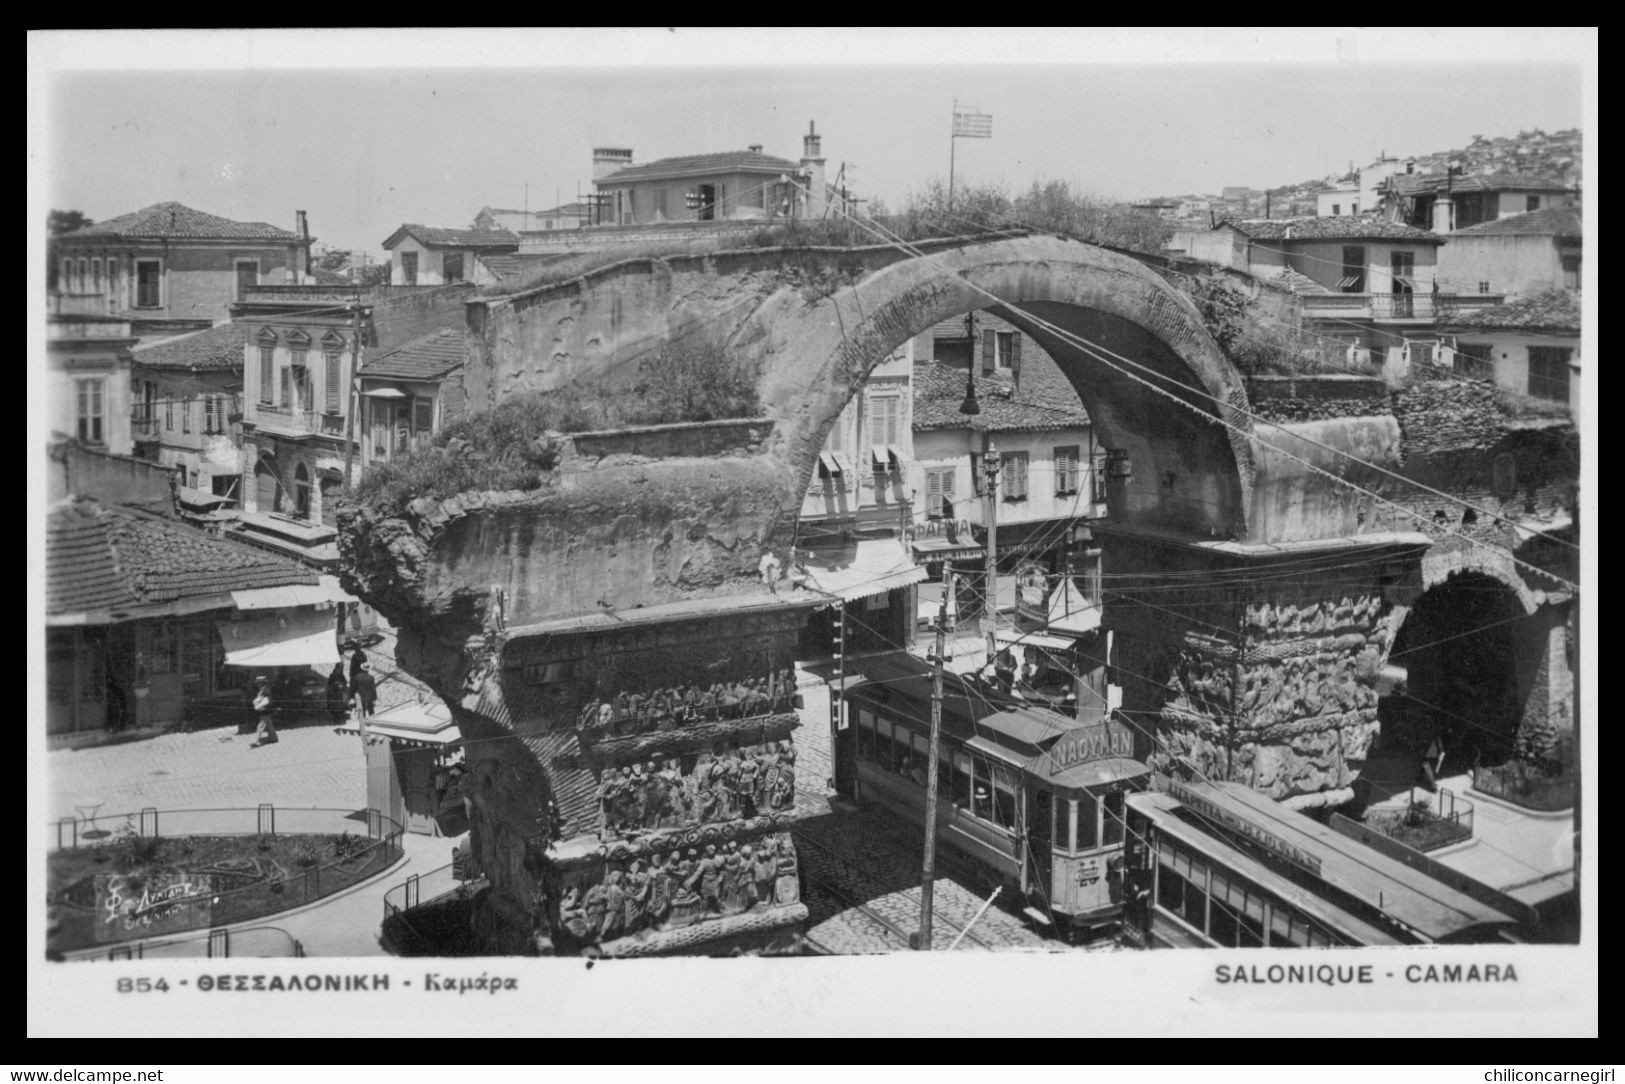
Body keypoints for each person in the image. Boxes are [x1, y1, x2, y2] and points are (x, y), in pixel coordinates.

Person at [250, 678, 278, 747]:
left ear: (262, 683)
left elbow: (268, 700)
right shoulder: (262, 690)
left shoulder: (265, 690)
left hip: (265, 709)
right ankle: (273, 738)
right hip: (264, 710)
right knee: (269, 725)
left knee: (260, 726)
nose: (257, 684)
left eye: (258, 683)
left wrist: (261, 705)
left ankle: (255, 741)